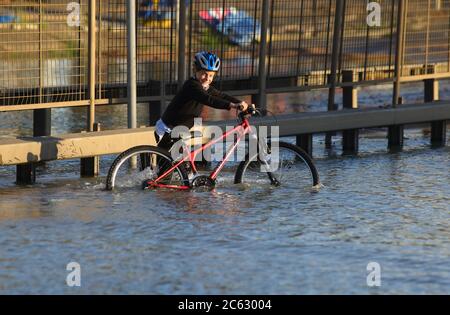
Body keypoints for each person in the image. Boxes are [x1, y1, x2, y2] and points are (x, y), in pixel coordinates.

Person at [154, 51, 249, 153]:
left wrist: (243, 103)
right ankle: (152, 169)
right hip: (168, 129)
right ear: (195, 70)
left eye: (211, 75)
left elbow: (221, 95)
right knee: (167, 166)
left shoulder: (205, 87)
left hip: (180, 131)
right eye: (204, 74)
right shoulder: (192, 86)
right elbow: (208, 99)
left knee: (182, 165)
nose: (207, 78)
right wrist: (232, 105)